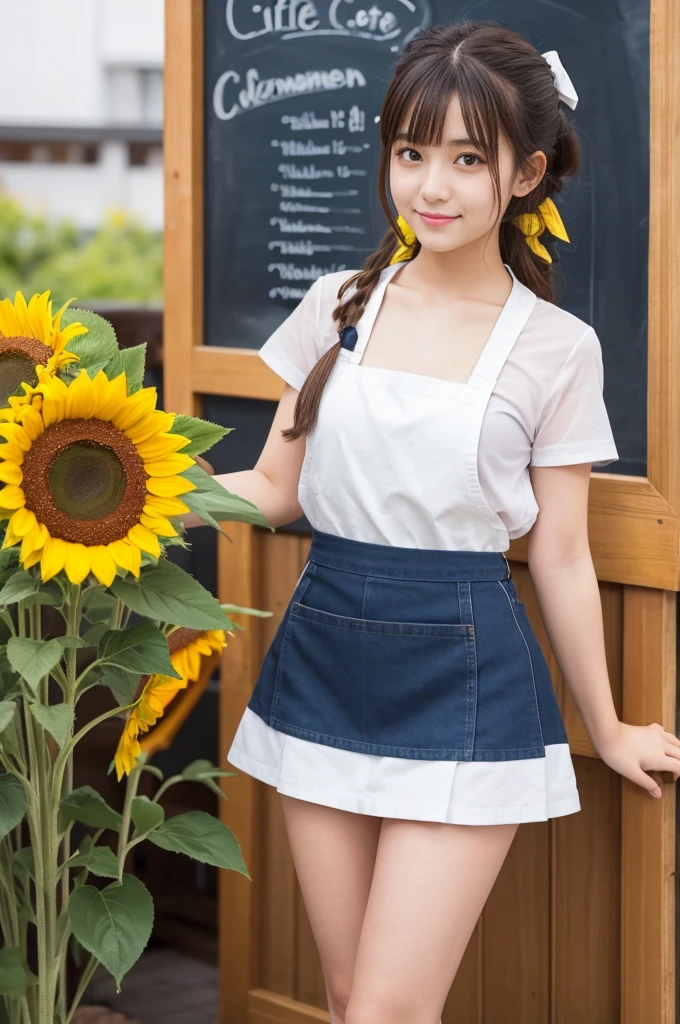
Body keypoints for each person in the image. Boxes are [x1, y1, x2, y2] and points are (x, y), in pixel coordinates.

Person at [190, 20, 680, 1024]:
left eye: (466, 158)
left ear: (525, 172)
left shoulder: (557, 347)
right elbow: (276, 488)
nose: (431, 186)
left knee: (383, 1012)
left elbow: (557, 552)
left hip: (465, 674)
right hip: (319, 652)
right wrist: (134, 506)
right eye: (410, 153)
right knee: (342, 997)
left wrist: (607, 723)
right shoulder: (338, 304)